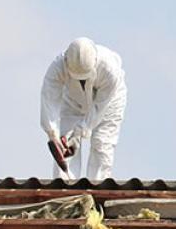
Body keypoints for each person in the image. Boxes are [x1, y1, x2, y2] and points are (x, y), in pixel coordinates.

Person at [40, 37, 127, 180]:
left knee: (102, 142)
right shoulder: (57, 67)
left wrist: (80, 131)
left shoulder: (110, 70)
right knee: (64, 142)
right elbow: (48, 98)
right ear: (67, 63)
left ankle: (98, 186)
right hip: (73, 99)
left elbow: (99, 108)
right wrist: (52, 135)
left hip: (109, 101)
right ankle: (64, 186)